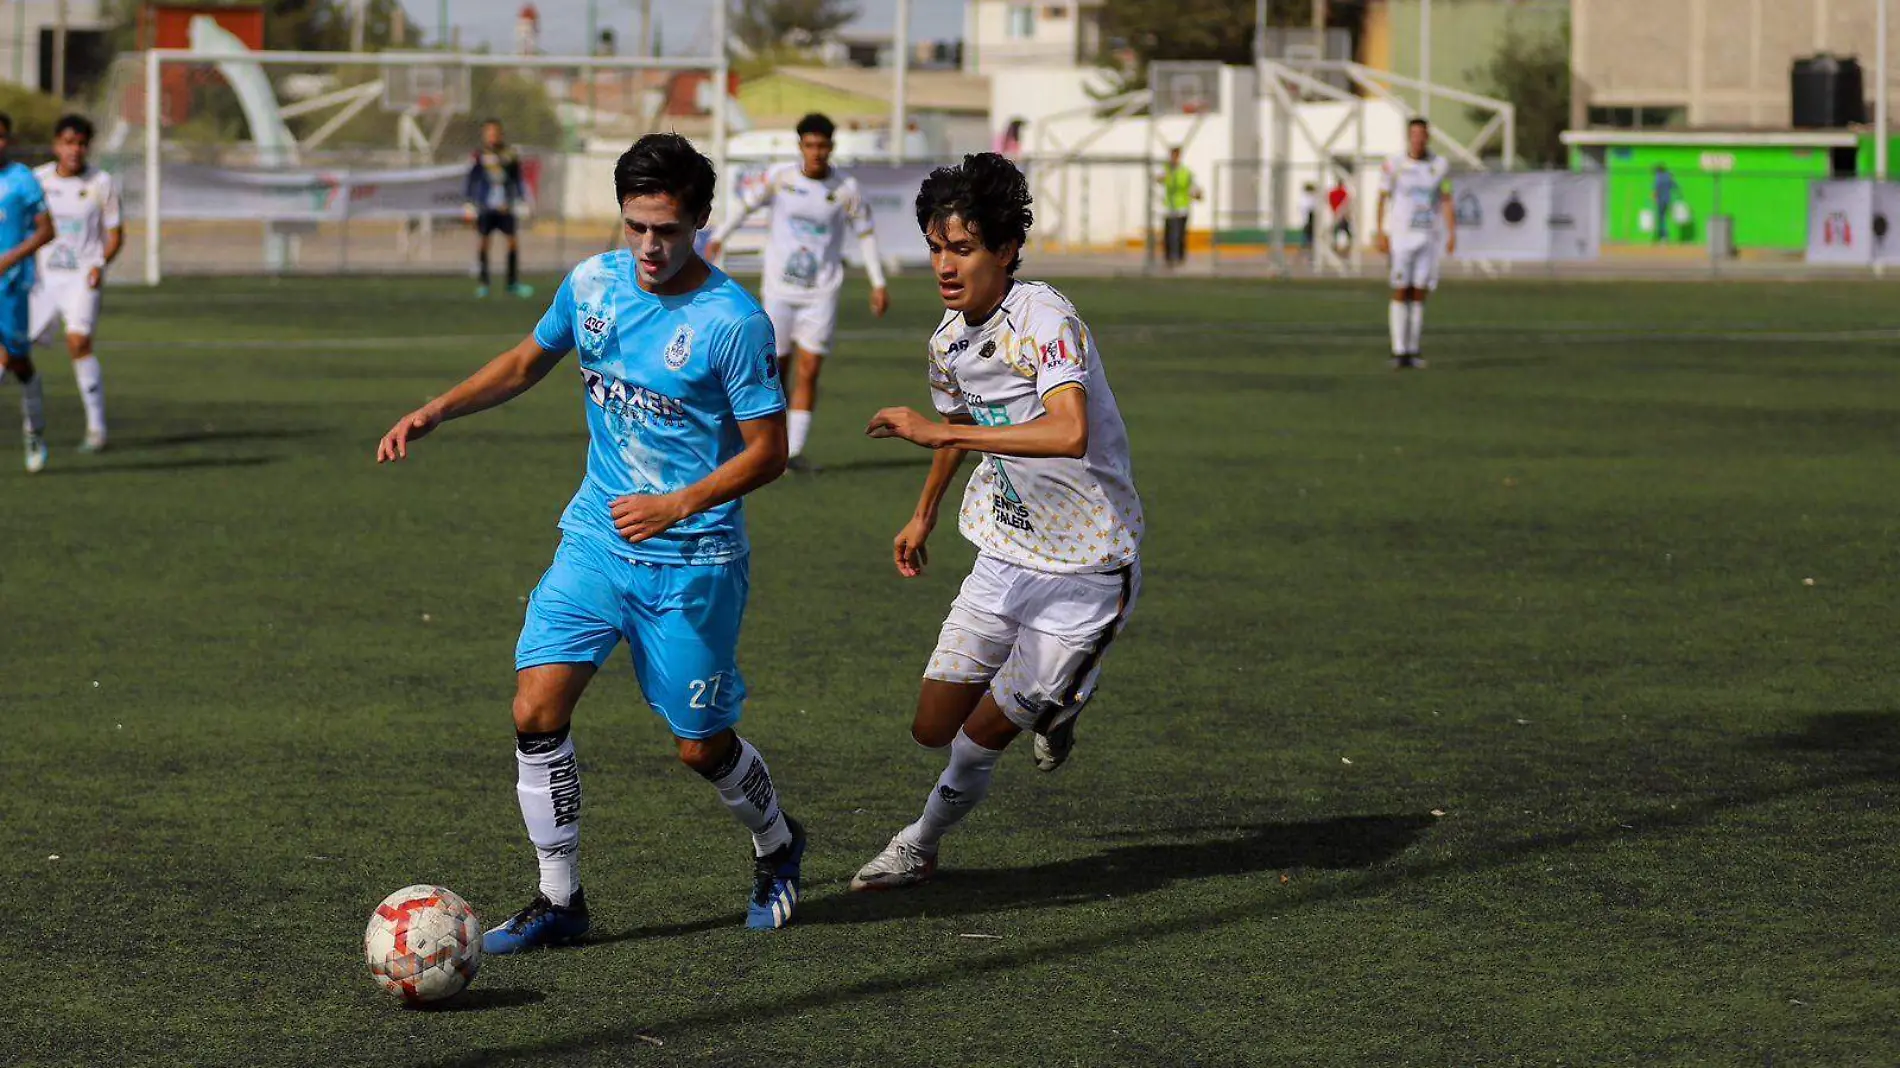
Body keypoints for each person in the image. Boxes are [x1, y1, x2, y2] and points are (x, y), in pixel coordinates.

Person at [377, 133, 806, 946]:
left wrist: (678, 504)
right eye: (637, 225)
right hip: (596, 541)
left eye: (668, 230)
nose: (650, 246)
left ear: (702, 222)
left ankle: (778, 845)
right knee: (536, 705)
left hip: (693, 562)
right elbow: (522, 364)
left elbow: (769, 453)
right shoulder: (592, 284)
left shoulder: (732, 323)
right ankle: (560, 900)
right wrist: (437, 409)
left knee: (698, 747)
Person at [848, 153, 1144, 892]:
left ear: (1006, 249)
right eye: (936, 248)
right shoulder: (948, 342)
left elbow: (1067, 429)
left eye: (965, 248)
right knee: (929, 725)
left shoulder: (1044, 317)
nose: (946, 266)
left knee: (979, 739)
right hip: (1007, 552)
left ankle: (919, 843)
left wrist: (941, 435)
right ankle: (1059, 697)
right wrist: (922, 515)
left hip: (1086, 569)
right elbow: (956, 419)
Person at [706, 112, 889, 470]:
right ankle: (766, 442)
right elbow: (745, 206)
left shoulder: (845, 190)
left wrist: (878, 282)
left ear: (831, 147)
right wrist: (718, 237)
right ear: (800, 146)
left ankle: (792, 453)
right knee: (775, 369)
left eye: (822, 145)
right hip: (779, 290)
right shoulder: (781, 178)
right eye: (810, 145)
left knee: (809, 370)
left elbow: (865, 234)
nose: (816, 152)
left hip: (821, 292)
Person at [31, 113, 123, 454]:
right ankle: (32, 424)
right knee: (10, 353)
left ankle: (97, 429)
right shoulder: (36, 180)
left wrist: (100, 263)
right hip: (41, 280)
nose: (75, 150)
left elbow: (115, 235)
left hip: (81, 278)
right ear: (57, 145)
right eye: (69, 143)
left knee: (78, 342)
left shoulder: (102, 183)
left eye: (82, 144)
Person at [1375, 118, 1456, 370]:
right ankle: (1398, 350)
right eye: (1414, 134)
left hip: (1428, 237)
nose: (1418, 139)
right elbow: (1382, 197)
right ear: (1408, 137)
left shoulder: (1440, 166)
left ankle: (1413, 349)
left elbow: (1445, 198)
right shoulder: (1394, 165)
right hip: (1401, 237)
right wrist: (1380, 230)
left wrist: (1452, 232)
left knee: (1420, 292)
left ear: (1428, 137)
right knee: (1401, 289)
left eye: (1422, 134)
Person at [0, 112, 55, 473]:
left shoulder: (22, 180)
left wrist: (9, 258)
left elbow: (46, 231)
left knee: (18, 363)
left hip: (12, 286)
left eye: (1, 136)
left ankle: (34, 429)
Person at [465, 119, 532, 299]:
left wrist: (520, 200)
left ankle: (512, 283)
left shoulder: (509, 154)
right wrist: (469, 202)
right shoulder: (479, 155)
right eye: (489, 132)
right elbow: (472, 179)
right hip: (486, 207)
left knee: (512, 242)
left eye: (495, 132)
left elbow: (517, 179)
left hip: (505, 207)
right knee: (484, 243)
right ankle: (483, 283)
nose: (492, 136)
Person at [1158, 146, 1201, 268]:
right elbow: (1159, 179)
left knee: (1180, 234)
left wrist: (1196, 194)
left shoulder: (1185, 171)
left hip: (1182, 207)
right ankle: (1169, 257)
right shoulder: (1166, 169)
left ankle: (1179, 257)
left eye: (1176, 156)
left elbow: (1194, 187)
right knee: (1169, 234)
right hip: (1169, 208)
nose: (1174, 159)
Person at [1653, 164, 1678, 244]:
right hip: (1668, 200)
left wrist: (1654, 197)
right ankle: (1665, 237)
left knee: (1661, 219)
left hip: (1660, 201)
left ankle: (1663, 236)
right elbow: (1675, 186)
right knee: (1665, 218)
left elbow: (1656, 189)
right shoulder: (1668, 177)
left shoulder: (1658, 177)